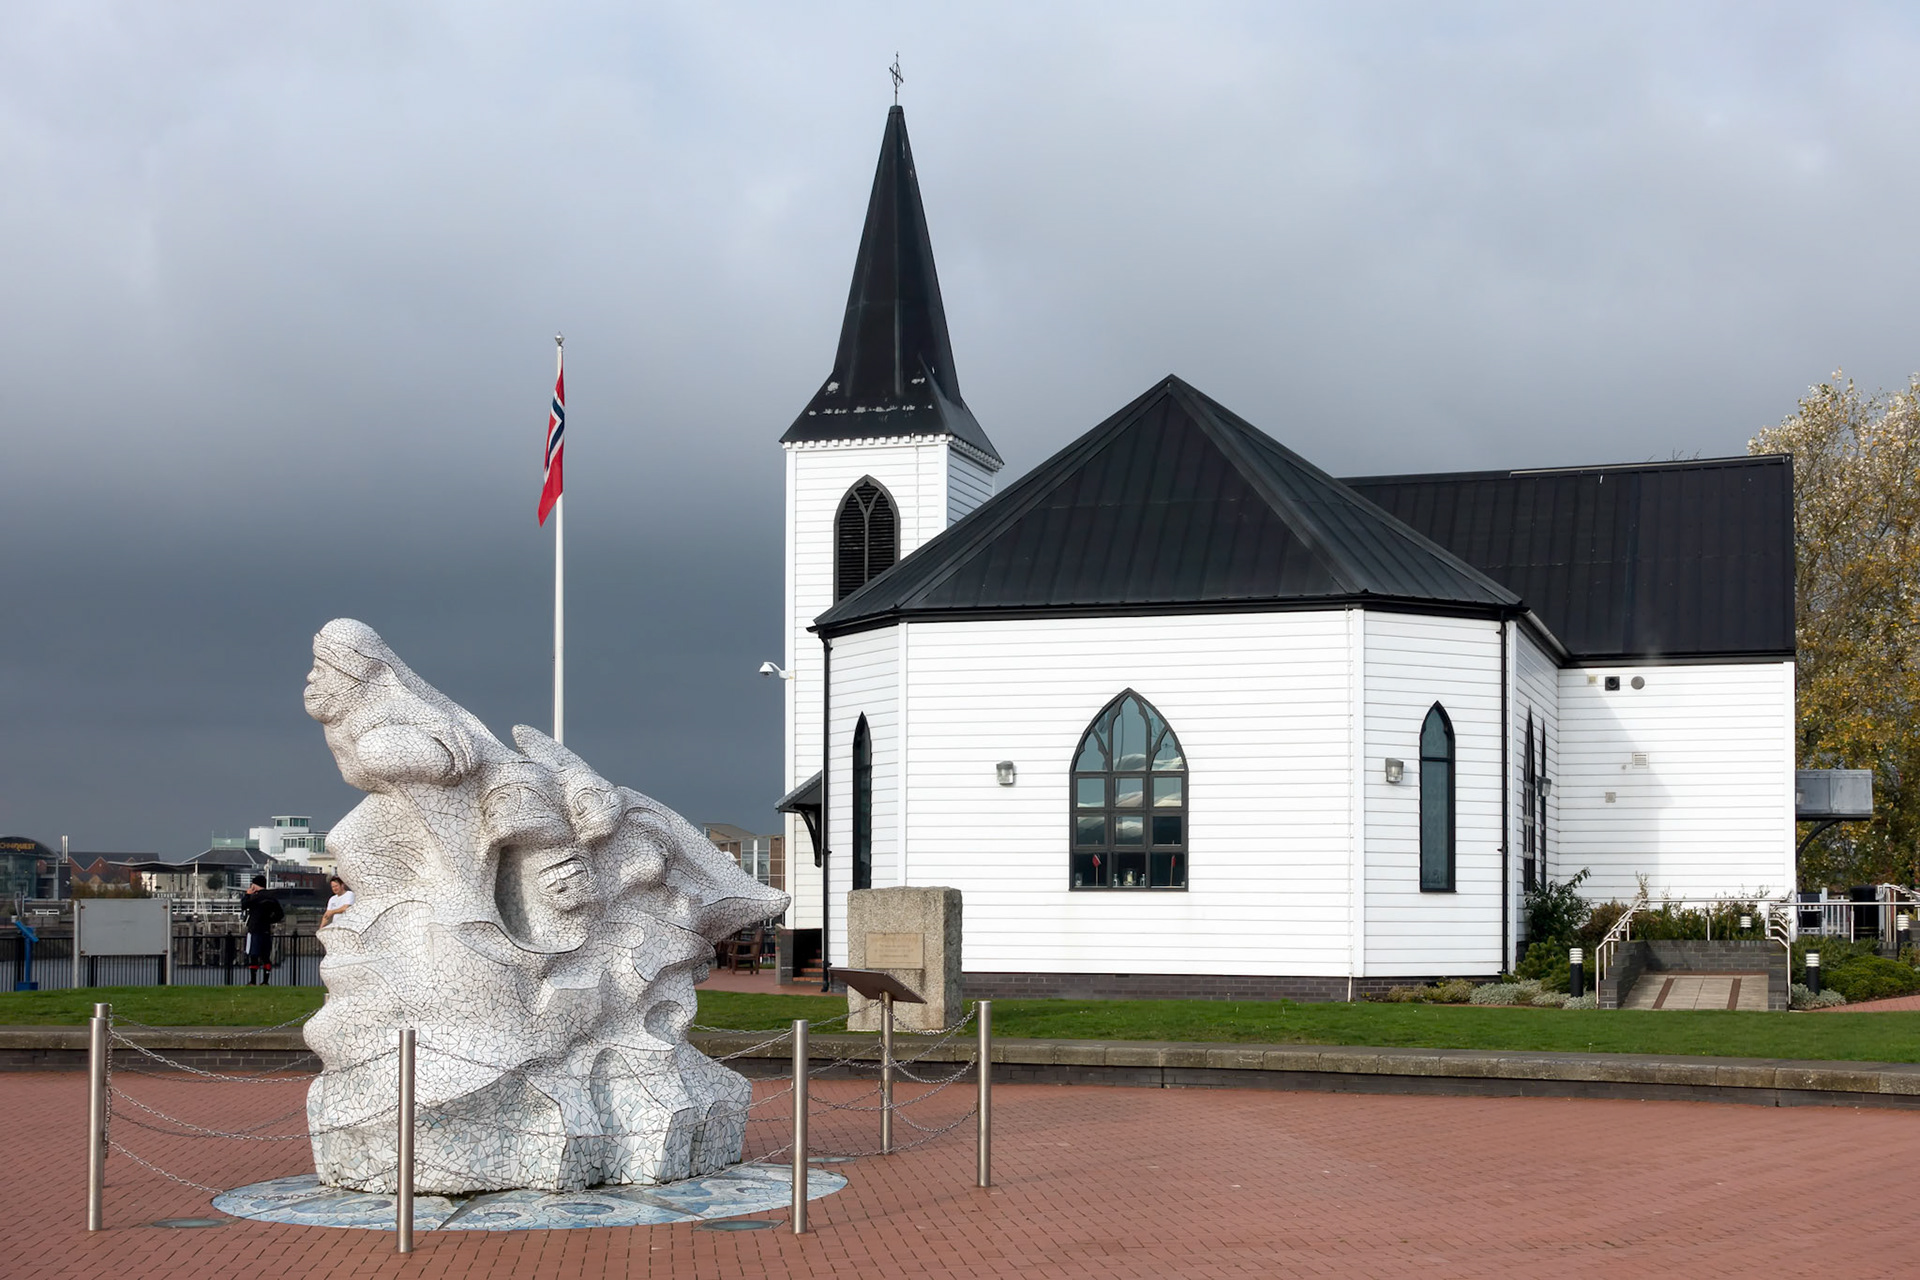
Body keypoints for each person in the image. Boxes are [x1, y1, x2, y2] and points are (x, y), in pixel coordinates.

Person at [241, 874, 285, 986]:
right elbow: (280, 914)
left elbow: (244, 905)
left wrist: (247, 894)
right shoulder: (272, 898)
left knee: (254, 955)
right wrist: (269, 920)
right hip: (266, 929)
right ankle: (265, 981)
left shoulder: (255, 898)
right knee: (266, 956)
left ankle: (253, 981)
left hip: (255, 929)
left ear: (255, 885)